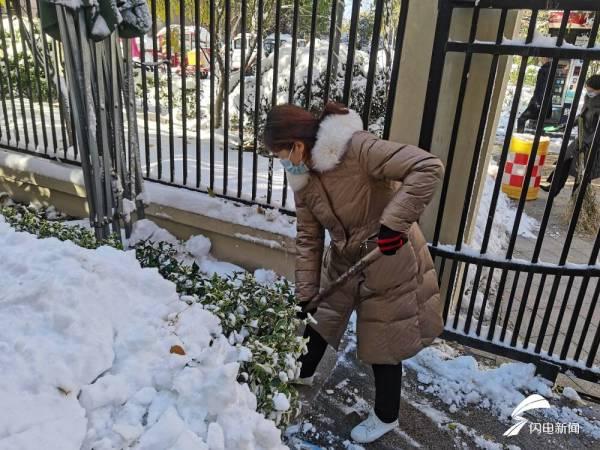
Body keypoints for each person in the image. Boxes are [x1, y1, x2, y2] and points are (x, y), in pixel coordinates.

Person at [263, 102, 445, 444]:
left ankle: (387, 416)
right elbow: (308, 235)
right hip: (346, 257)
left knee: (383, 341)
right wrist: (306, 293)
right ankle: (300, 373)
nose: (282, 162)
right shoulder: (302, 177)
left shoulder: (357, 148)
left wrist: (395, 222)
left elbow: (427, 167)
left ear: (297, 145)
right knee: (318, 316)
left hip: (389, 256)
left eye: (280, 153)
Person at [541, 74, 600, 196]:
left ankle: (577, 200)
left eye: (591, 90)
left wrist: (590, 143)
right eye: (587, 89)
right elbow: (581, 117)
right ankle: (553, 187)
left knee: (583, 171)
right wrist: (566, 125)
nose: (589, 91)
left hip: (594, 144)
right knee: (565, 160)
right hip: (582, 138)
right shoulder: (589, 99)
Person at [517, 58, 552, 133]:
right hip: (543, 102)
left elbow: (541, 87)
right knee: (538, 124)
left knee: (521, 119)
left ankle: (520, 138)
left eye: (540, 58)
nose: (539, 59)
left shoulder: (544, 70)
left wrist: (537, 102)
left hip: (538, 101)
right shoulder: (551, 69)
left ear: (545, 58)